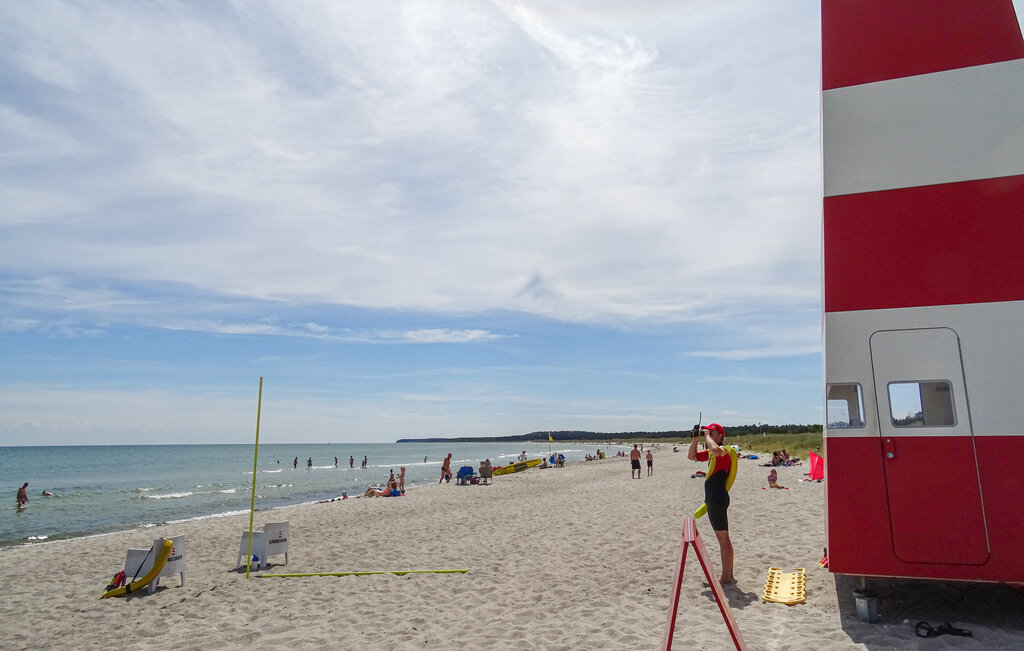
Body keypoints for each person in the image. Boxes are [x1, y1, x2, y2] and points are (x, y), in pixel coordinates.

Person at [688, 422, 735, 584]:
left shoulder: (724, 451)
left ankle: (726, 577)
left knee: (723, 539)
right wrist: (695, 439)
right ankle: (729, 575)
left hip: (717, 498)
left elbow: (716, 450)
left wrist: (706, 436)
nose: (708, 433)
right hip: (712, 498)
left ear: (720, 436)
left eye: (712, 432)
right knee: (722, 538)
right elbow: (692, 456)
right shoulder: (711, 453)